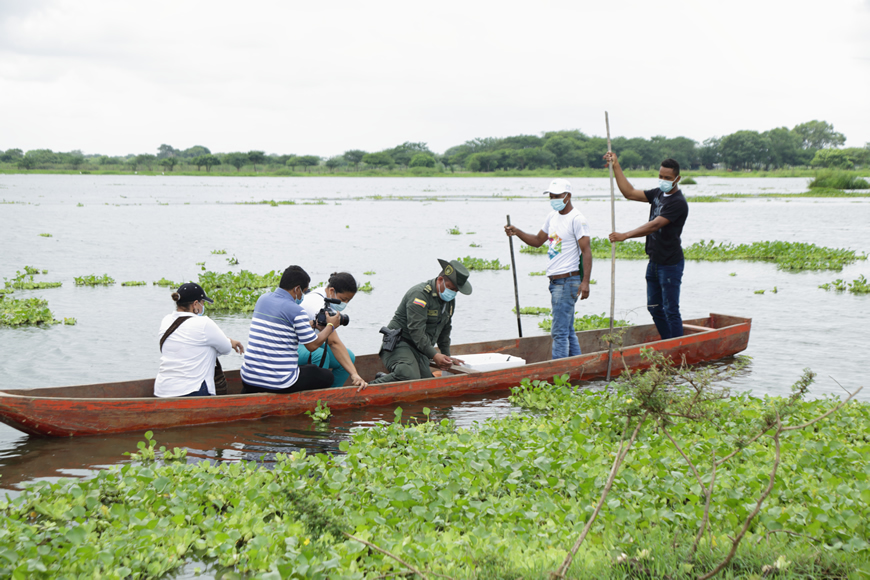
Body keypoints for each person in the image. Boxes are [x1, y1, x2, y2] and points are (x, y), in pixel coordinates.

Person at [504, 178, 592, 359]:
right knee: (567, 330)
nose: (553, 199)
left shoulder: (577, 219)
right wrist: (517, 232)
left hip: (568, 281)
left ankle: (558, 373)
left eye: (557, 196)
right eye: (551, 196)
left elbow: (586, 251)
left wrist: (585, 283)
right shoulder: (552, 216)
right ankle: (577, 366)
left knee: (559, 333)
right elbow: (537, 241)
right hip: (555, 282)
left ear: (567, 196)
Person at [604, 152, 689, 340]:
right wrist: (616, 165)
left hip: (670, 263)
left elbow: (655, 224)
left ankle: (677, 347)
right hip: (654, 262)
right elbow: (629, 193)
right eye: (661, 176)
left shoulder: (678, 203)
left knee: (671, 309)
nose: (663, 180)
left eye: (667, 178)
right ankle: (668, 341)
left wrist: (625, 235)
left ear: (677, 179)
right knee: (653, 307)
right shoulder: (659, 193)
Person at [240, 265, 340, 394]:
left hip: (248, 378)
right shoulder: (296, 310)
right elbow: (312, 345)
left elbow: (279, 328)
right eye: (303, 292)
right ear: (297, 289)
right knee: (326, 376)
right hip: (280, 382)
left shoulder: (262, 300)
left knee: (306, 368)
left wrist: (309, 325)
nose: (302, 296)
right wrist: (330, 326)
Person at [368, 259, 471, 384]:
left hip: (420, 350)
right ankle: (369, 387)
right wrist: (434, 355)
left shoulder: (449, 302)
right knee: (408, 376)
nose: (452, 293)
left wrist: (446, 356)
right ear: (440, 280)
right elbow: (416, 330)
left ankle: (383, 377)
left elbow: (445, 331)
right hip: (399, 344)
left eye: (456, 291)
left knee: (428, 384)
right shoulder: (420, 295)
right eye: (450, 288)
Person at [155, 282, 245, 398]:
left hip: (162, 391)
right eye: (203, 303)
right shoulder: (203, 323)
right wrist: (230, 341)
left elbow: (190, 343)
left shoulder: (166, 321)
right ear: (195, 304)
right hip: (191, 391)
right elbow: (226, 349)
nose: (203, 306)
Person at [298, 272, 368, 390]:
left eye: (348, 301)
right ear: (332, 291)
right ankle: (318, 395)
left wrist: (353, 372)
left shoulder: (326, 295)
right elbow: (333, 342)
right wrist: (354, 374)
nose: (344, 304)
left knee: (349, 357)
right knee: (321, 355)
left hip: (312, 343)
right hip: (294, 346)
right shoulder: (317, 304)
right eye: (343, 299)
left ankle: (333, 392)